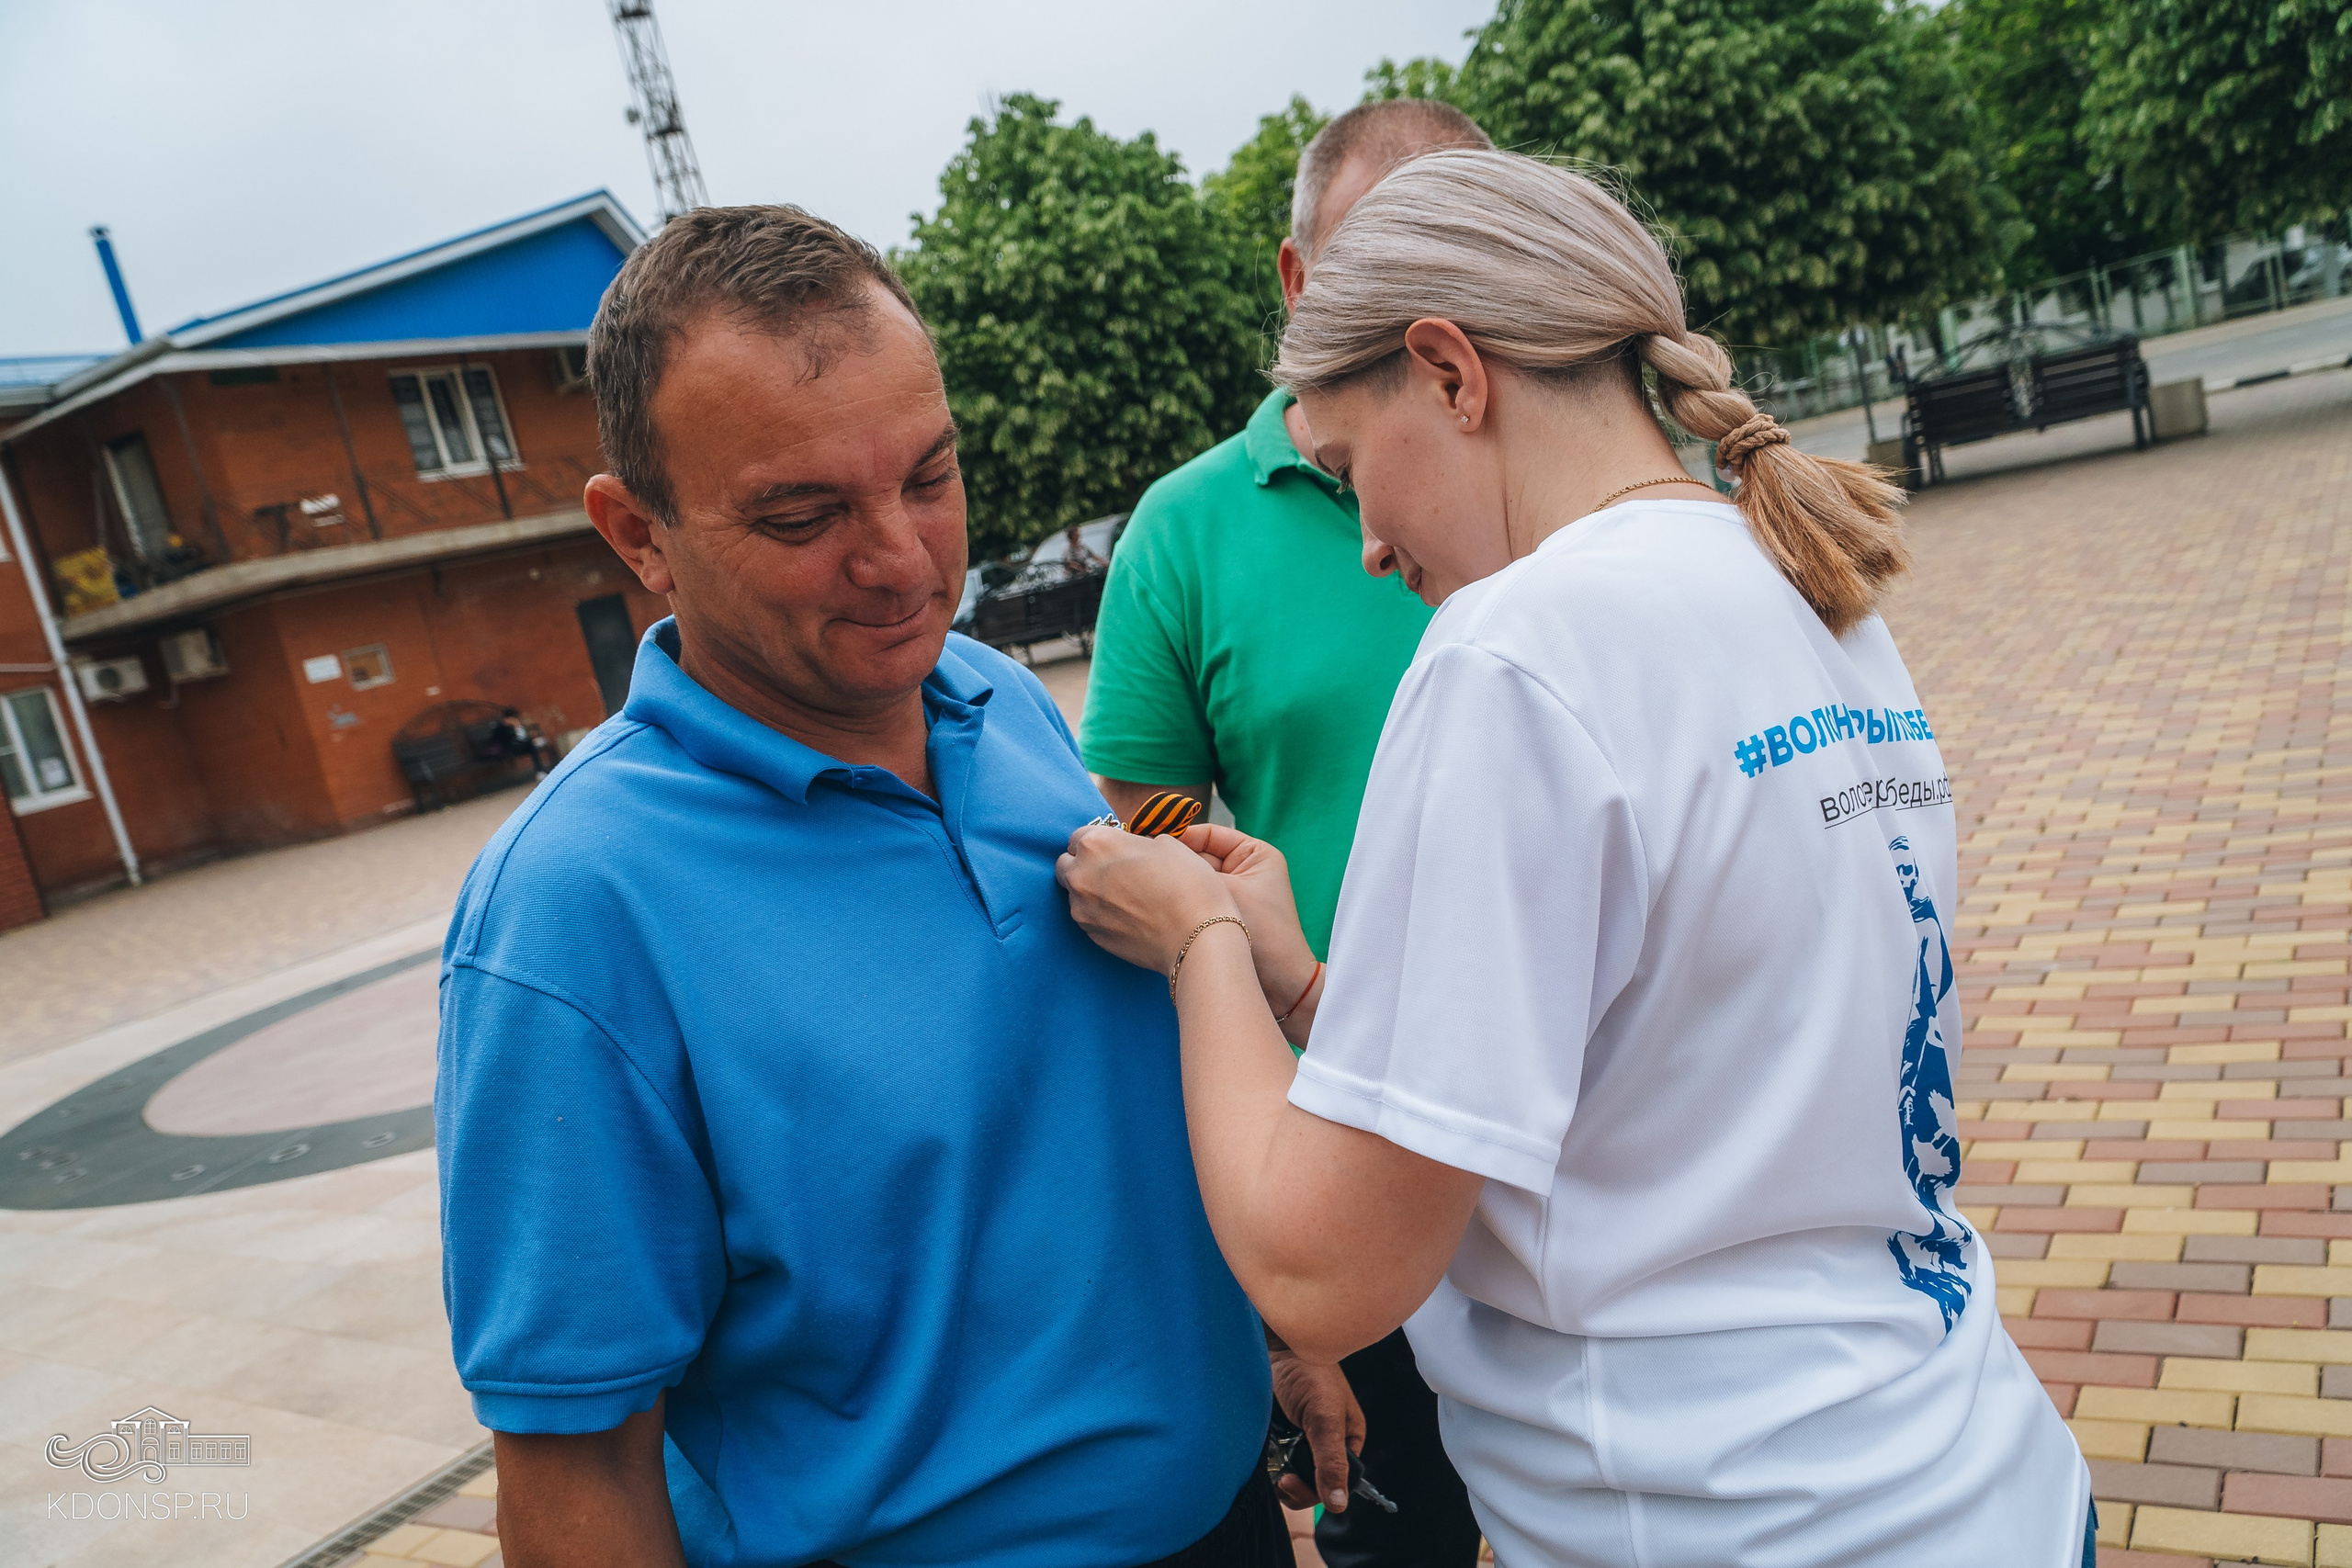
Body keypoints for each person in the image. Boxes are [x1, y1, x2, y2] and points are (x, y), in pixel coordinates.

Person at [1057, 149, 2092, 1567]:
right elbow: (1654, 1079)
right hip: (1975, 1476)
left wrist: (1202, 949)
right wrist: (1312, 987)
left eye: (1351, 469)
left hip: (1732, 1527)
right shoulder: (1806, 582)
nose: (1364, 542)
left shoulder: (1512, 651)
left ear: (1448, 372)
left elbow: (1319, 1269)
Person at [434, 204, 1356, 1568]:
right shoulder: (570, 912)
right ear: (638, 534)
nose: (905, 561)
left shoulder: (1003, 705)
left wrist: (1272, 1340)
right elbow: (576, 1467)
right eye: (803, 516)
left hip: (1221, 1519)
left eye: (929, 476)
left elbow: (1097, 1115)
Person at [1082, 97, 1493, 1568]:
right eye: (1383, 256)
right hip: (1352, 1120)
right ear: (1296, 277)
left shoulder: (1549, 476)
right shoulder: (1187, 528)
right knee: (1412, 1533)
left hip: (1565, 1124)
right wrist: (1253, 905)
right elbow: (1134, 803)